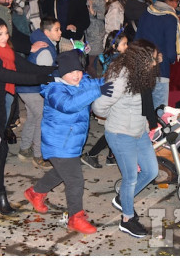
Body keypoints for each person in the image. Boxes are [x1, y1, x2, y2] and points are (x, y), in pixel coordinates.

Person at [0, 10, 54, 215]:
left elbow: (26, 66)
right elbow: (6, 74)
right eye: (0, 34)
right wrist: (43, 79)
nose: (5, 37)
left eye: (6, 33)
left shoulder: (6, 50)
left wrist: (58, 71)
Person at [24, 50, 113, 234]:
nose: (77, 75)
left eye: (79, 71)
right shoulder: (55, 89)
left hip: (70, 142)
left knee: (60, 173)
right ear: (62, 72)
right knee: (75, 180)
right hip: (58, 143)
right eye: (72, 72)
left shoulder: (81, 81)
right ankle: (75, 217)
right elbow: (69, 105)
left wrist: (114, 80)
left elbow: (96, 82)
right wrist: (97, 92)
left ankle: (35, 192)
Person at [91, 40, 160, 238]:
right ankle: (127, 219)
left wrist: (144, 122)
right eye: (152, 59)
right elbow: (98, 106)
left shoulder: (140, 73)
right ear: (140, 59)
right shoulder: (120, 77)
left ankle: (123, 198)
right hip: (121, 134)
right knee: (130, 178)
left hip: (139, 131)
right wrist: (114, 118)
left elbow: (142, 103)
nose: (155, 63)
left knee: (151, 171)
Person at [16, 17, 63, 169]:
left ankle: (24, 149)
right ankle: (38, 155)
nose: (60, 32)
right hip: (32, 88)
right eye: (57, 30)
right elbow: (44, 76)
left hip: (25, 86)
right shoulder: (46, 50)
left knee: (32, 117)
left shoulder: (46, 43)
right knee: (41, 119)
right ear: (47, 32)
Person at [81, 29, 128, 169]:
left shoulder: (110, 57)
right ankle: (92, 154)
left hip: (112, 96)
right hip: (114, 97)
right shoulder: (118, 60)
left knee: (115, 128)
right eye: (124, 44)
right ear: (114, 46)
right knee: (113, 130)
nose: (127, 47)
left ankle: (110, 156)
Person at [134, 0, 180, 109]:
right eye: (176, 1)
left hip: (143, 63)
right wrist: (171, 59)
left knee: (143, 104)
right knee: (159, 106)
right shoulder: (170, 18)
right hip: (161, 67)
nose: (177, 4)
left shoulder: (147, 12)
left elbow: (137, 38)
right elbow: (171, 49)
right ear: (168, 0)